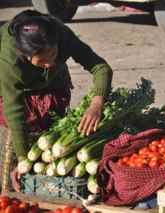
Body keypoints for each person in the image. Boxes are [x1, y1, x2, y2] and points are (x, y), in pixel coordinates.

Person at [0, 10, 113, 190]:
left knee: (53, 123)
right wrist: (23, 160)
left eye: (53, 54)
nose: (50, 63)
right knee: (18, 133)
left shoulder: (61, 35)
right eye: (42, 61)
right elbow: (14, 110)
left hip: (54, 84)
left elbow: (100, 67)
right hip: (14, 88)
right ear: (26, 55)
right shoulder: (9, 62)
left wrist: (97, 103)